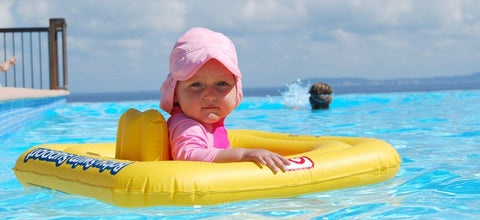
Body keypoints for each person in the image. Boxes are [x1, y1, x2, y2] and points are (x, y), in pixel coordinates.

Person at [160, 27, 290, 173]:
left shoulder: (206, 124)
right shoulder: (187, 126)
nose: (210, 95)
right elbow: (189, 156)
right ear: (175, 93)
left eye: (221, 84)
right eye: (196, 84)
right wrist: (242, 155)